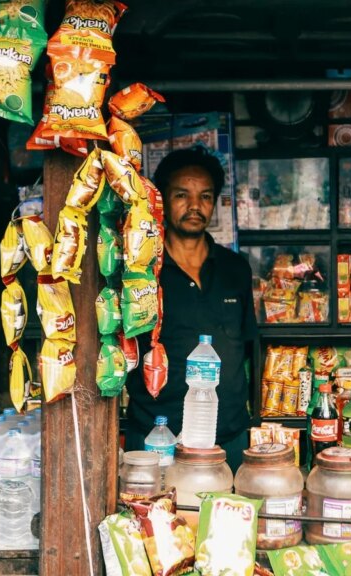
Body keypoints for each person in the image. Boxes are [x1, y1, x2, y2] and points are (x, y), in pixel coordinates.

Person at [124, 147, 257, 473]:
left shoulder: (235, 269)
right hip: (157, 435)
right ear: (162, 200)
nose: (195, 206)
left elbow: (248, 347)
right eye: (182, 195)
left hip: (228, 436)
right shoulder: (141, 270)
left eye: (205, 196)